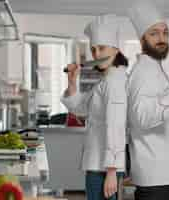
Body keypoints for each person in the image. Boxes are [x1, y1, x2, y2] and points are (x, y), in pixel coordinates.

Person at [126, 1, 169, 200]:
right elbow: (141, 116)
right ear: (142, 39)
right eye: (154, 33)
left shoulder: (154, 69)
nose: (161, 38)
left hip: (160, 174)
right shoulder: (143, 73)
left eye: (165, 33)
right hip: (153, 175)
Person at [61, 14, 128, 200]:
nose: (97, 54)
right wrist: (72, 82)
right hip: (98, 165)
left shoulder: (115, 84)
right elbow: (81, 109)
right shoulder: (105, 81)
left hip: (104, 169)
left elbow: (115, 127)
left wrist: (112, 171)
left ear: (116, 49)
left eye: (102, 48)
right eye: (93, 49)